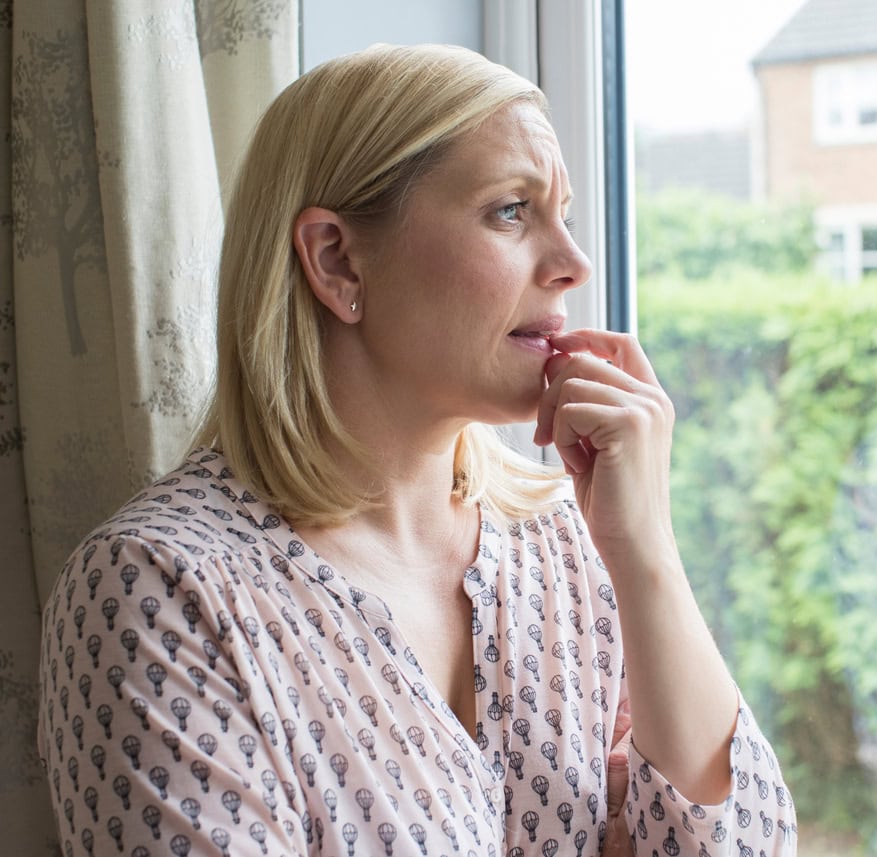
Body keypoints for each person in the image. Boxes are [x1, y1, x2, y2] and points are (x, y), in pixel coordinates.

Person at [37, 43, 796, 856]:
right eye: (511, 210)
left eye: (563, 212)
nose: (573, 263)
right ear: (336, 260)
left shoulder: (568, 548)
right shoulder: (162, 589)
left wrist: (645, 547)